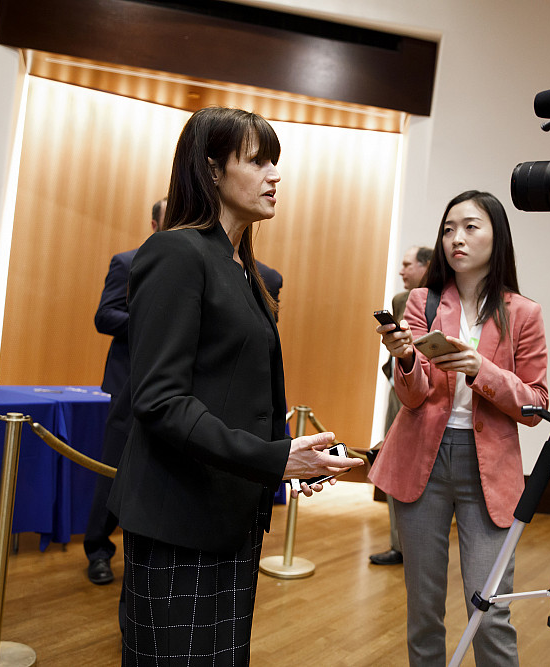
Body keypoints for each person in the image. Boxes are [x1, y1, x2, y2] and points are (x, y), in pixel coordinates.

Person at [107, 106, 362, 665]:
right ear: (212, 170)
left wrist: (288, 457)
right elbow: (161, 400)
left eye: (276, 162)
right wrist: (272, 459)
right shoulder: (176, 252)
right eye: (258, 161)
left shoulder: (241, 265)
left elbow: (239, 389)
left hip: (226, 514)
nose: (275, 175)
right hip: (181, 518)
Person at [370, 190, 549, 666]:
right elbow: (412, 399)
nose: (456, 238)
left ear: (497, 236)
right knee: (423, 611)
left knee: (489, 612)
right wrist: (406, 357)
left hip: (487, 469)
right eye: (449, 228)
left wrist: (480, 370)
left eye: (471, 226)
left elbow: (535, 405)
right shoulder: (422, 302)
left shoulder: (523, 313)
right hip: (420, 461)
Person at [84, 197, 165, 587]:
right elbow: (105, 315)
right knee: (113, 472)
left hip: (169, 387)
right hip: (127, 384)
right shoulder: (127, 261)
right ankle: (98, 551)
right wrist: (151, 323)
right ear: (154, 223)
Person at [370, 245, 433, 566]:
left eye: (408, 265)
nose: (401, 271)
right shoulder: (399, 301)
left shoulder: (443, 299)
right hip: (403, 388)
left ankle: (413, 545)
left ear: (427, 266)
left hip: (431, 398)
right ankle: (400, 544)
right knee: (396, 462)